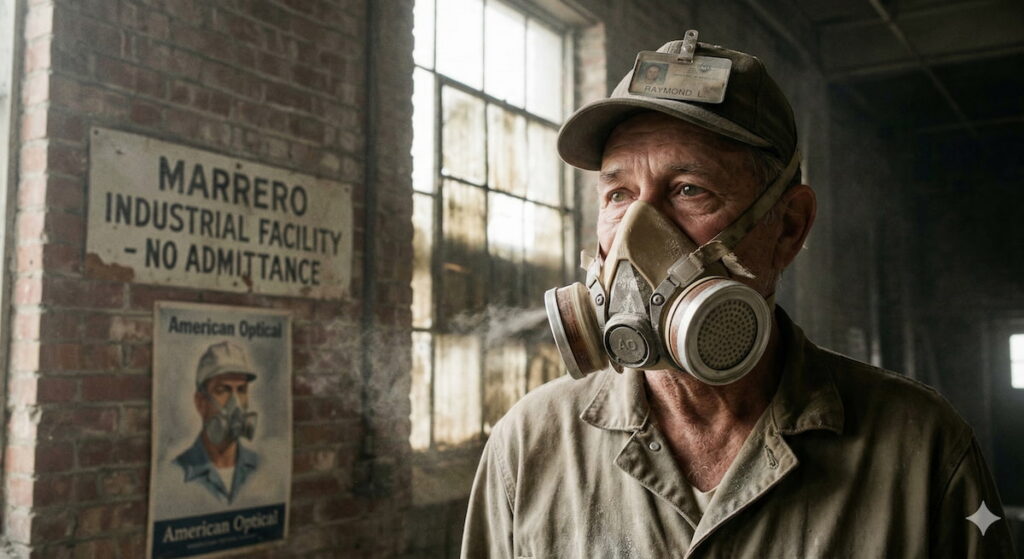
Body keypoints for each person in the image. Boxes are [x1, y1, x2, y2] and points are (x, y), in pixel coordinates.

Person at [462, 34, 1015, 557]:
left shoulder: (924, 452)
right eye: (618, 194)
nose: (636, 230)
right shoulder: (528, 448)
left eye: (689, 190)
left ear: (790, 226)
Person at [173, 340, 260, 505]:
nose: (235, 403)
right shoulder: (176, 473)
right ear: (200, 403)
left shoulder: (260, 467)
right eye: (222, 390)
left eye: (241, 390)